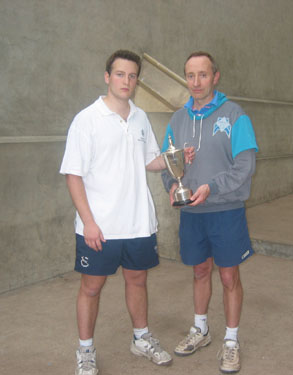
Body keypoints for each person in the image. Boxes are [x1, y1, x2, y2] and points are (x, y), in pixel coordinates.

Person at [60, 50, 193, 375]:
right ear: (108, 77)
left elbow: (149, 161)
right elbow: (73, 175)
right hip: (99, 227)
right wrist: (89, 222)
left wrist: (176, 159)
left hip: (138, 223)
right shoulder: (86, 120)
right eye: (120, 74)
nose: (126, 81)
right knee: (91, 287)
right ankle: (86, 351)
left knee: (137, 281)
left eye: (132, 76)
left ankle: (141, 338)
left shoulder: (140, 118)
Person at [161, 51, 258, 374]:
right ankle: (200, 329)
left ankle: (231, 340)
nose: (196, 82)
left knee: (229, 275)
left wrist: (212, 188)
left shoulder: (235, 115)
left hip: (226, 210)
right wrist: (172, 187)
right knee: (200, 271)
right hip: (192, 212)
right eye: (190, 75)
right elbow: (167, 164)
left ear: (215, 76)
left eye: (203, 75)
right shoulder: (177, 119)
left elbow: (245, 166)